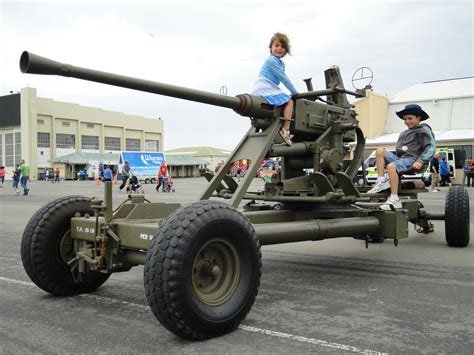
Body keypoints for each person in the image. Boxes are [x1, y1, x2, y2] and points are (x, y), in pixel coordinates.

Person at [367, 104, 436, 210]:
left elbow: (431, 147)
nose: (407, 121)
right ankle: (381, 181)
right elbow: (400, 152)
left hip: (413, 160)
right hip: (401, 159)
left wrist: (421, 161)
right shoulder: (404, 133)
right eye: (405, 119)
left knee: (391, 166)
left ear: (419, 118)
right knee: (380, 151)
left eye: (410, 118)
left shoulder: (423, 130)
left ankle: (394, 199)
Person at [252, 32, 298, 145]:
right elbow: (283, 78)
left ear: (286, 50)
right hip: (265, 87)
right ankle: (286, 129)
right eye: (276, 45)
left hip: (269, 87)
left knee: (280, 103)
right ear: (271, 47)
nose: (279, 48)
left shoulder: (281, 63)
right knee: (289, 101)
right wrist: (294, 92)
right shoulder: (271, 60)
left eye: (282, 47)